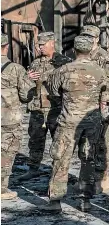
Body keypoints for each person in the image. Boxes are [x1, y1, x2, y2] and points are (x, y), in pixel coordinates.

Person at [42, 35, 108, 212]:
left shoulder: (62, 70)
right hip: (91, 123)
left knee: (61, 159)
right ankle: (85, 200)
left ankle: (55, 201)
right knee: (88, 160)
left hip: (68, 121)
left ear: (74, 50)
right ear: (89, 50)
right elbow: (105, 95)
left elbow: (54, 93)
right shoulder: (100, 71)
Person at [18, 32, 72, 181]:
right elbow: (28, 85)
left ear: (52, 43)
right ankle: (33, 168)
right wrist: (27, 78)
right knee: (35, 140)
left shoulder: (64, 62)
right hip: (37, 109)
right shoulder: (35, 63)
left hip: (56, 109)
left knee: (58, 141)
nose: (40, 47)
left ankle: (58, 172)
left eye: (43, 44)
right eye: (39, 45)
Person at [80, 25, 109, 192]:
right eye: (84, 36)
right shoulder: (81, 54)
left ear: (96, 39)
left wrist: (104, 103)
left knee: (101, 143)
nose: (87, 39)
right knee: (85, 143)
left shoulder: (104, 57)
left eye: (89, 36)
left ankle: (102, 177)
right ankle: (86, 176)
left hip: (99, 105)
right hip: (84, 105)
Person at [1, 34, 35, 199]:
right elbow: (25, 96)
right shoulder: (15, 68)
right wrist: (28, 80)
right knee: (7, 152)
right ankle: (1, 188)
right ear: (6, 47)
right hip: (9, 119)